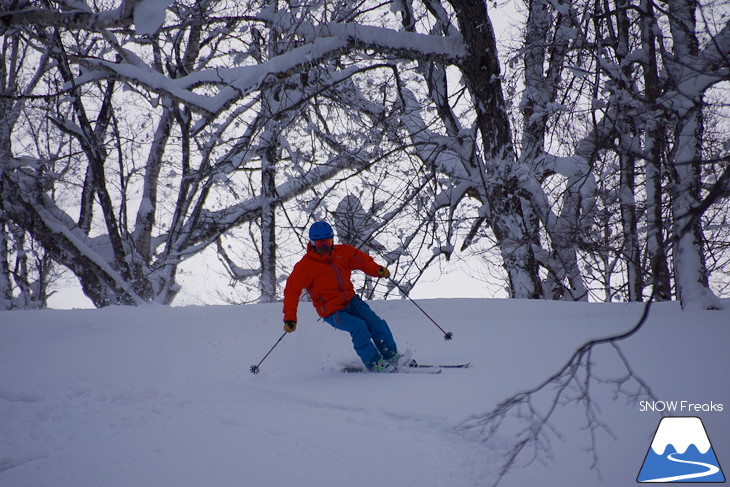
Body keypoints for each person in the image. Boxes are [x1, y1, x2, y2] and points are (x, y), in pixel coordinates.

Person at [283, 221, 401, 372]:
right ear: (312, 243)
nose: (325, 247)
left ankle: (391, 355)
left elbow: (363, 261)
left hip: (352, 302)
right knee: (359, 327)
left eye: (328, 242)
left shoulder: (342, 252)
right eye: (320, 244)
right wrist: (290, 318)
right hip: (332, 311)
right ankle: (374, 364)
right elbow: (291, 292)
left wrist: (376, 270)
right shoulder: (305, 267)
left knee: (375, 323)